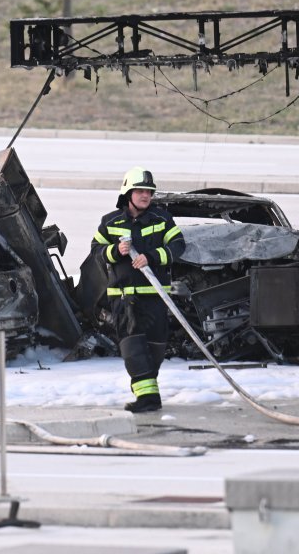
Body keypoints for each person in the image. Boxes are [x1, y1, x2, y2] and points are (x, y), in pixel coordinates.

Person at [91, 167, 185, 413]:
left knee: (155, 346)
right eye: (140, 191)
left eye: (149, 192)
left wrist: (151, 257)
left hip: (154, 294)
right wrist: (115, 251)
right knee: (132, 346)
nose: (146, 195)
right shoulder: (110, 222)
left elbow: (178, 246)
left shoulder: (162, 219)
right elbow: (95, 254)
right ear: (128, 193)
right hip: (123, 296)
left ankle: (148, 392)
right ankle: (148, 399)